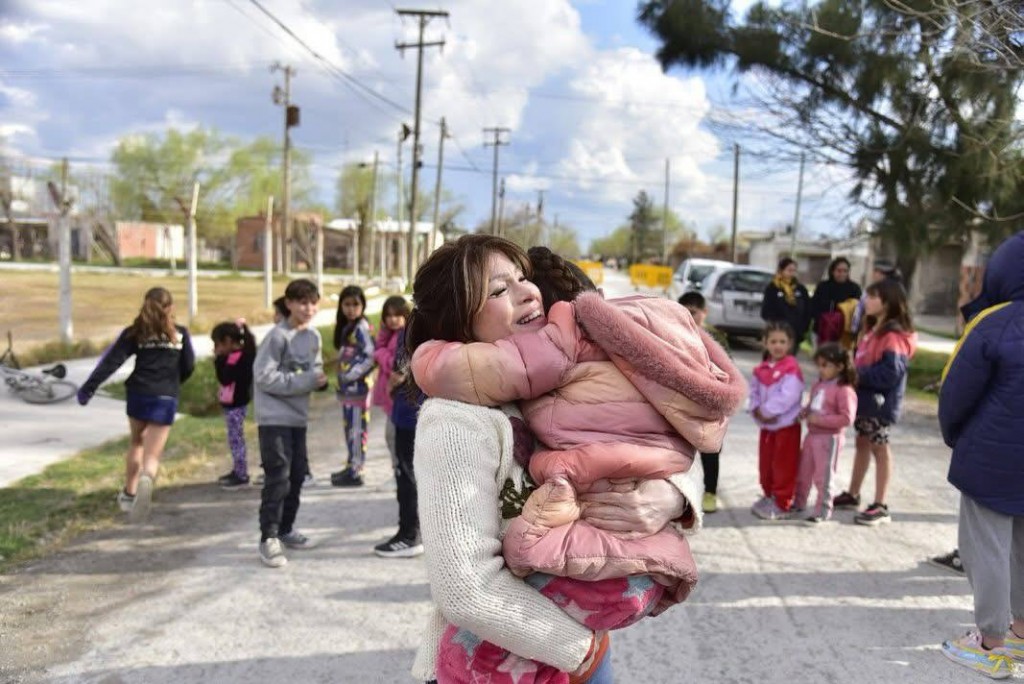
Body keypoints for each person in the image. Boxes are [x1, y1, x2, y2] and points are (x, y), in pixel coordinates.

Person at [413, 245, 745, 683]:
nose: (527, 293)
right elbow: (464, 588)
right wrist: (579, 652)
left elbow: (662, 434)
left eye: (521, 278)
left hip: (579, 650)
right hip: (505, 658)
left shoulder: (552, 376)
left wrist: (670, 495)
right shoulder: (455, 421)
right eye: (499, 289)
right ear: (460, 324)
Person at [937, 231, 1024, 677]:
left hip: (991, 460)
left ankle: (991, 644)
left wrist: (955, 436)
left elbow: (957, 393)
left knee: (987, 548)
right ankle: (1022, 635)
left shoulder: (995, 323)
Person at [77, 286, 195, 523]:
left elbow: (111, 362)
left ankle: (129, 493)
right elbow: (189, 365)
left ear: (145, 304)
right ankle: (147, 479)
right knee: (153, 454)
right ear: (170, 308)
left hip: (138, 394)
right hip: (165, 397)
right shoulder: (180, 334)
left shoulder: (135, 333)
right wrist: (173, 382)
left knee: (136, 442)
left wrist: (89, 388)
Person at [254, 278, 327, 568]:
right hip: (273, 418)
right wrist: (307, 380)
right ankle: (268, 537)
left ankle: (286, 528)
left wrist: (318, 381)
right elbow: (263, 377)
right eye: (301, 302)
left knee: (297, 475)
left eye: (312, 302)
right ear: (289, 304)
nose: (308, 308)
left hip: (298, 418)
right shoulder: (277, 337)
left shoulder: (313, 338)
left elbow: (315, 369)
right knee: (278, 476)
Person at [832, 279, 917, 526]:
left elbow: (891, 373)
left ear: (888, 302)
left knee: (880, 447)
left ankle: (881, 505)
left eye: (872, 297)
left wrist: (857, 375)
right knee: (862, 443)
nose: (865, 301)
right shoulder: (874, 329)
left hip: (881, 404)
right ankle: (853, 494)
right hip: (866, 401)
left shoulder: (893, 335)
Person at [372, 295, 425, 559]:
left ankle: (409, 534)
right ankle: (417, 531)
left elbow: (398, 369)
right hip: (428, 412)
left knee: (407, 474)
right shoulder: (443, 324)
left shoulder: (413, 329)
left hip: (408, 412)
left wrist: (395, 380)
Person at [793, 343, 857, 524]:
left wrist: (819, 420)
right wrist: (804, 412)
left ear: (840, 366)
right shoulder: (818, 385)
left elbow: (846, 418)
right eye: (819, 365)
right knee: (803, 472)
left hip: (829, 439)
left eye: (826, 365)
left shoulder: (844, 390)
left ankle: (822, 510)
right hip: (811, 436)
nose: (821, 369)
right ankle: (799, 502)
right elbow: (813, 405)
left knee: (823, 476)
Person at [679, 290, 730, 513]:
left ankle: (710, 492)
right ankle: (680, 496)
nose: (690, 316)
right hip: (683, 407)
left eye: (694, 312)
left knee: (711, 453)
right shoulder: (674, 335)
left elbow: (729, 371)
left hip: (710, 408)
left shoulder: (717, 339)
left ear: (704, 313)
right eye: (685, 311)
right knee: (680, 454)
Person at [749, 321, 804, 520]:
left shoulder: (791, 369)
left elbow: (787, 396)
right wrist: (755, 408)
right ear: (765, 343)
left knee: (784, 464)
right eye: (773, 341)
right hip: (767, 427)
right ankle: (768, 494)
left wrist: (766, 411)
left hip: (785, 427)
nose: (777, 345)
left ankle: (782, 502)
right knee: (766, 463)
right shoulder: (761, 369)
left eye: (782, 341)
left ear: (790, 344)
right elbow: (753, 391)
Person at [331, 285, 375, 488]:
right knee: (349, 428)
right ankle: (351, 464)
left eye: (355, 304)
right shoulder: (347, 327)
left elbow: (370, 356)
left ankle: (357, 470)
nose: (351, 309)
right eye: (347, 304)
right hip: (348, 391)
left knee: (357, 429)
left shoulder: (361, 328)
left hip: (358, 390)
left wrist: (350, 375)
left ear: (362, 306)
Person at [211, 319, 256, 489]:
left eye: (218, 344)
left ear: (228, 341)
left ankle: (241, 474)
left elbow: (225, 378)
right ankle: (238, 469)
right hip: (233, 404)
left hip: (237, 405)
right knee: (234, 439)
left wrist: (218, 360)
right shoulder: (240, 356)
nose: (217, 348)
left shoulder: (236, 359)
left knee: (236, 439)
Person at [371, 296, 409, 483]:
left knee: (393, 435)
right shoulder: (388, 335)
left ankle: (399, 467)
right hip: (391, 395)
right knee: (391, 435)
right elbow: (378, 349)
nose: (393, 319)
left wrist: (381, 355)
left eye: (397, 315)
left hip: (398, 396)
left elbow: (394, 363)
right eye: (389, 315)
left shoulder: (404, 336)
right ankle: (398, 466)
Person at [761, 257, 811, 355]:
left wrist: (803, 327)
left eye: (794, 270)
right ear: (781, 270)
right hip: (777, 330)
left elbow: (807, 309)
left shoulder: (800, 289)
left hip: (795, 331)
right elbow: (766, 310)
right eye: (789, 270)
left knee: (789, 359)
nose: (791, 273)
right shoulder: (773, 288)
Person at [810, 257, 862, 346]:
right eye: (839, 270)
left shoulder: (854, 288)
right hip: (823, 330)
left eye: (845, 271)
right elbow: (814, 306)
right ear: (832, 271)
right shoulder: (823, 286)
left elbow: (857, 310)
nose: (842, 274)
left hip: (845, 333)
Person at [851, 259, 903, 337]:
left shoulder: (892, 291)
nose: (874, 274)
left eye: (879, 272)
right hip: (867, 330)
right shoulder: (871, 290)